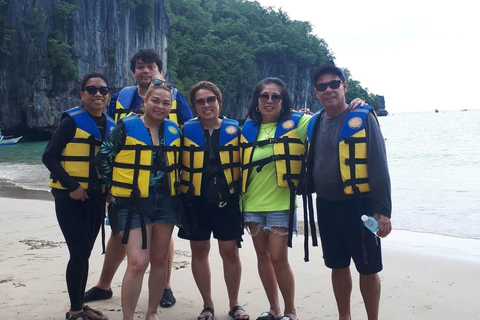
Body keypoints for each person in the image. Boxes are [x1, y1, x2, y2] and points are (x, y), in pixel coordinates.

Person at [86, 48, 192, 308]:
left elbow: (192, 134)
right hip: (128, 188)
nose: (146, 71)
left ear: (160, 71)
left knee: (160, 243)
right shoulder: (121, 99)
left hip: (163, 192)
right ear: (133, 72)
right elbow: (106, 133)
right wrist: (112, 183)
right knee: (119, 236)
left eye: (151, 67)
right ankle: (104, 284)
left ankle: (164, 287)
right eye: (140, 66)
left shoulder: (177, 100)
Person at [306, 64, 392, 320]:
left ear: (344, 86)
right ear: (316, 93)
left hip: (360, 207)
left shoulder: (363, 117)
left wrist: (383, 212)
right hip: (327, 205)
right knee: (337, 264)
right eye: (322, 87)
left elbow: (379, 166)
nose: (329, 90)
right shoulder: (313, 122)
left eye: (334, 84)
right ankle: (345, 317)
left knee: (368, 267)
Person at [95, 81, 182, 320]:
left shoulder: (174, 131)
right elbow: (103, 157)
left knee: (160, 260)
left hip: (165, 203)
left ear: (171, 106)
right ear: (145, 101)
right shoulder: (125, 126)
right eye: (155, 101)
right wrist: (111, 187)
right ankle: (128, 317)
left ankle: (151, 313)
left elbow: (183, 166)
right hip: (132, 202)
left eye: (166, 103)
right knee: (137, 262)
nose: (160, 106)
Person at [42, 73, 114, 320]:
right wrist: (72, 185)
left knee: (84, 252)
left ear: (108, 95)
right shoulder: (71, 122)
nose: (97, 94)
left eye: (103, 90)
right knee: (79, 253)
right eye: (91, 90)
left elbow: (110, 163)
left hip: (96, 198)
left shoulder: (111, 125)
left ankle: (80, 306)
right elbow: (49, 156)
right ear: (82, 94)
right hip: (70, 198)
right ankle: (75, 310)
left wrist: (109, 189)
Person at [177, 81, 249, 320]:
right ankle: (207, 305)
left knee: (229, 251)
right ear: (194, 106)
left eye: (211, 100)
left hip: (226, 200)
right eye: (200, 101)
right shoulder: (183, 131)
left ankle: (235, 304)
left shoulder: (236, 131)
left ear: (219, 102)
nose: (206, 105)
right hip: (194, 200)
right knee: (199, 250)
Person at [240, 77, 310, 320]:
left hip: (281, 203)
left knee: (279, 258)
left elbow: (327, 121)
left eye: (275, 96)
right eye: (264, 96)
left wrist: (355, 103)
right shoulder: (247, 129)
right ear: (257, 100)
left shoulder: (298, 124)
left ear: (284, 101)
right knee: (262, 256)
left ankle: (290, 311)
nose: (269, 101)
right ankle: (274, 308)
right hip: (251, 203)